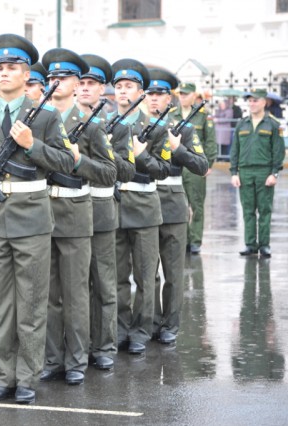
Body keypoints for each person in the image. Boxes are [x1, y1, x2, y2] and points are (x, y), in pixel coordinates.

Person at [0, 34, 75, 404]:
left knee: (31, 302)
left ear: (27, 75)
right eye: (0, 68)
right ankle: (1, 377)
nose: (4, 73)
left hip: (32, 220)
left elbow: (65, 162)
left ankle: (27, 376)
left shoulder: (44, 115)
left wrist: (31, 145)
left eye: (12, 68)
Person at [39, 48, 116, 385]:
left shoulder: (89, 125)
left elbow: (110, 172)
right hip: (39, 214)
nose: (56, 83)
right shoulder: (36, 119)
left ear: (75, 85)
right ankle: (52, 358)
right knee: (48, 295)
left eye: (64, 78)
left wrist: (77, 161)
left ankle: (76, 360)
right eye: (52, 77)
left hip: (73, 214)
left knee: (75, 294)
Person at [110, 59, 172, 355]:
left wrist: (143, 155)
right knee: (118, 276)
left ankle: (141, 330)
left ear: (141, 92)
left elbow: (163, 169)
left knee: (146, 276)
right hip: (114, 205)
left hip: (145, 206)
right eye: (119, 87)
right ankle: (121, 329)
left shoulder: (156, 127)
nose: (123, 92)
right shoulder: (103, 124)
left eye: (129, 87)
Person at [145, 69, 208, 345]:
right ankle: (151, 321)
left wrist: (179, 149)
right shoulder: (134, 125)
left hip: (171, 201)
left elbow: (202, 165)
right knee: (147, 273)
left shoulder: (183, 127)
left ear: (169, 97)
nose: (154, 99)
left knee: (172, 272)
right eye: (150, 94)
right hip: (143, 202)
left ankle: (170, 324)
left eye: (159, 94)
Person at [78, 53, 130, 370]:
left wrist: (105, 148)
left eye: (91, 84)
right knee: (75, 285)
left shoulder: (116, 126)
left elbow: (124, 169)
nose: (84, 88)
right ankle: (79, 345)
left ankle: (105, 345)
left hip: (101, 208)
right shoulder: (60, 119)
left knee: (104, 281)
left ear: (102, 91)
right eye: (80, 83)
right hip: (69, 209)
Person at [230, 88, 285, 258]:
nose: (252, 103)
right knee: (247, 211)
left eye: (255, 100)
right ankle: (250, 244)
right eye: (250, 100)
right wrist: (234, 172)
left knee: (264, 210)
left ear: (264, 102)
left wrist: (274, 173)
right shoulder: (242, 124)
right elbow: (235, 150)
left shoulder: (273, 124)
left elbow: (278, 151)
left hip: (264, 172)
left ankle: (265, 245)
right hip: (245, 172)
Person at [170, 82, 217, 254]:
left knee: (196, 205)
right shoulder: (170, 114)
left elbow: (210, 141)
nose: (182, 96)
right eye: (180, 94)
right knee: (180, 205)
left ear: (193, 96)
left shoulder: (203, 115)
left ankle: (195, 240)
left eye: (186, 94)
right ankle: (185, 239)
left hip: (195, 167)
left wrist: (209, 164)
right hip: (176, 166)